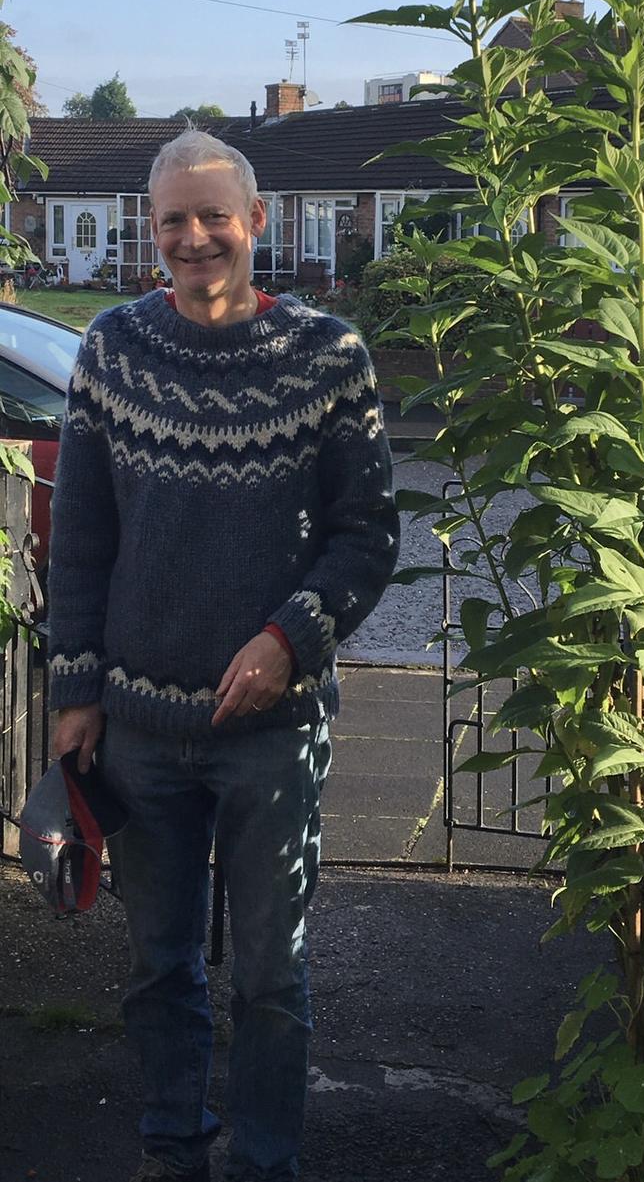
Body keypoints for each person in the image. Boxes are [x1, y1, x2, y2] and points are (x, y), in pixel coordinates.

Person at [47, 128, 399, 1182]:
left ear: (255, 222)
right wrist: (74, 691)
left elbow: (369, 532)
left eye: (213, 216)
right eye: (172, 220)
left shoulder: (329, 357)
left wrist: (291, 636)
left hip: (272, 734)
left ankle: (264, 1161)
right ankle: (170, 1145)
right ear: (148, 231)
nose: (194, 237)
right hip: (140, 729)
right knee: (159, 965)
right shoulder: (112, 348)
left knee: (269, 976)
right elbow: (81, 535)